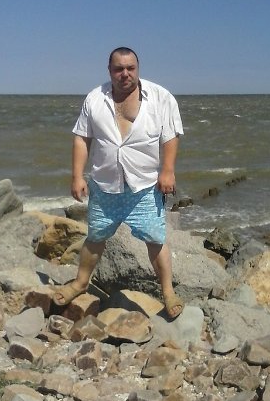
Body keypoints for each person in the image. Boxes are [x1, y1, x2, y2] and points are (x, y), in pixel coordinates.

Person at [53, 47, 184, 318]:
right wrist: (77, 176)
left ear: (138, 68)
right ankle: (80, 282)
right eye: (118, 69)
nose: (125, 74)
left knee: (156, 239)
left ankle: (168, 292)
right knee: (96, 237)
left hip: (144, 187)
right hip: (104, 186)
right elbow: (82, 137)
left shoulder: (161, 97)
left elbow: (170, 136)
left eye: (130, 68)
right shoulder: (95, 98)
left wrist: (168, 171)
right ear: (109, 71)